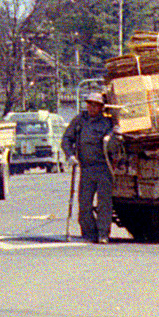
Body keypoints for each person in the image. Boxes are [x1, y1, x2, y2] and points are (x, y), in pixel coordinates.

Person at [65, 90, 117, 243]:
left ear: (101, 107)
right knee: (85, 204)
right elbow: (66, 139)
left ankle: (102, 234)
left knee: (104, 204)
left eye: (96, 105)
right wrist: (70, 155)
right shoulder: (79, 121)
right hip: (86, 168)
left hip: (103, 168)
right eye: (90, 104)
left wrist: (116, 135)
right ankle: (89, 232)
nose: (92, 108)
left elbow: (113, 147)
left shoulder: (107, 123)